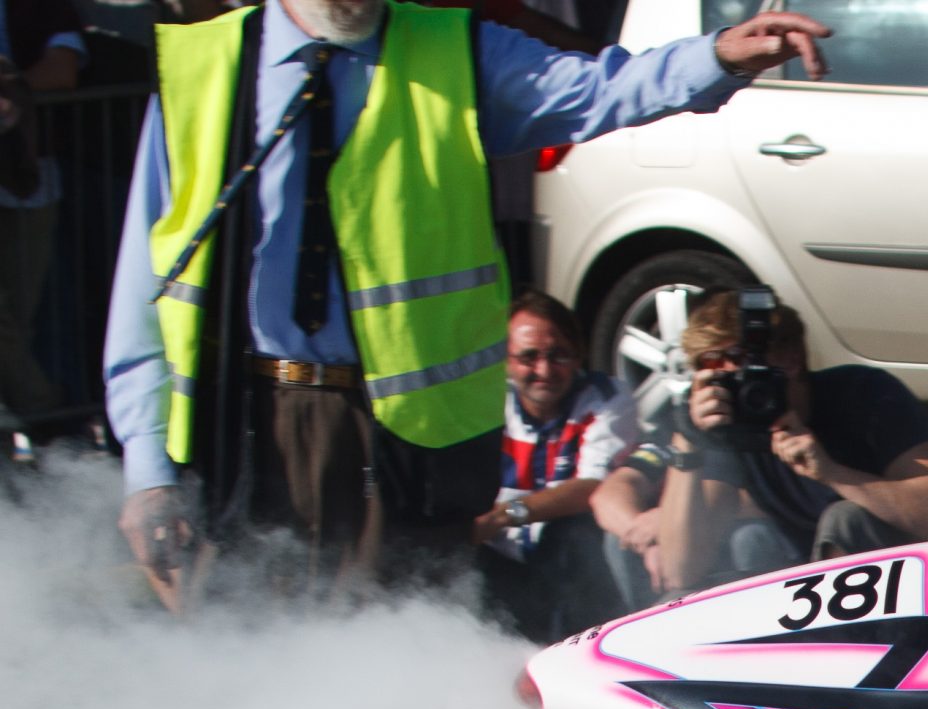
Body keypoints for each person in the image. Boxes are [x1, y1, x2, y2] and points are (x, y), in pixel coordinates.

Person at [101, 0, 832, 612]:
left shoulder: (455, 49)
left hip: (404, 441)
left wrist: (718, 58)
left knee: (390, 654)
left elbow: (597, 89)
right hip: (244, 430)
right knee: (242, 651)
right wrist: (147, 475)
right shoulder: (203, 69)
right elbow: (146, 285)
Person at [602, 290, 928, 594]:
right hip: (787, 577)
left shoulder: (864, 395)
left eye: (742, 362)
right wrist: (690, 444)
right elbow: (681, 573)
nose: (733, 381)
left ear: (791, 359)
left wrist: (834, 474)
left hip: (892, 590)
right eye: (711, 366)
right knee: (735, 550)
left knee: (847, 518)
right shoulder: (722, 431)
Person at [474, 288, 633, 641]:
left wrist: (503, 515)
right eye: (529, 357)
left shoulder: (608, 397)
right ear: (506, 360)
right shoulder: (483, 404)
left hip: (571, 562)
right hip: (499, 561)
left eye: (559, 355)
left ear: (579, 357)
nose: (544, 370)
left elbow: (592, 487)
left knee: (572, 535)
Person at [0, 0, 82, 463]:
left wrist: (12, 88)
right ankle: (45, 414)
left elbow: (63, 71)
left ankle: (34, 425)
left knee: (16, 321)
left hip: (27, 178)